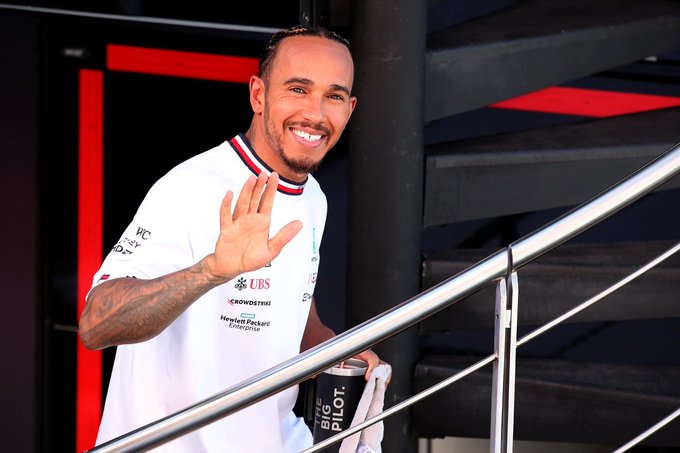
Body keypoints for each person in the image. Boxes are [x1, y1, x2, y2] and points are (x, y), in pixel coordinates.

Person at [79, 26, 383, 452]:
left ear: (349, 109)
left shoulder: (314, 198)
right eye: (298, 89)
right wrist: (212, 271)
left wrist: (333, 350)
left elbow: (292, 313)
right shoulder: (193, 187)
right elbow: (96, 324)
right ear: (258, 95)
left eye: (333, 96)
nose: (315, 113)